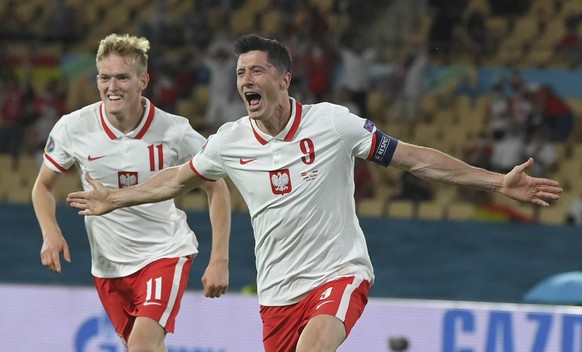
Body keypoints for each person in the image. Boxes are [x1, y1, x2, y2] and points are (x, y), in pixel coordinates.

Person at [67, 34, 563, 352]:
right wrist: (115, 199)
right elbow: (174, 180)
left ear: (284, 79)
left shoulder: (333, 123)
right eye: (241, 74)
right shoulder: (228, 141)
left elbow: (414, 158)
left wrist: (496, 180)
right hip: (277, 293)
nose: (245, 81)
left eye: (256, 71)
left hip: (339, 272)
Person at [31, 33, 231, 352]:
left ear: (143, 80)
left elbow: (216, 186)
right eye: (105, 77)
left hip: (164, 252)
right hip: (108, 266)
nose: (113, 87)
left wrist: (219, 257)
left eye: (123, 77)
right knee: (143, 347)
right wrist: (50, 231)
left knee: (141, 345)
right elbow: (42, 186)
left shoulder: (174, 131)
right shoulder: (73, 127)